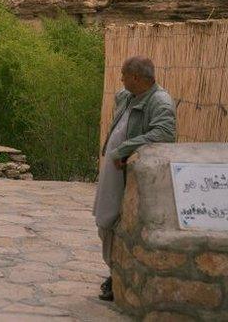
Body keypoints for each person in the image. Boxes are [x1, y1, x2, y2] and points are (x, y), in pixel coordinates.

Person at [93, 55, 176, 301]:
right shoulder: (127, 96)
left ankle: (115, 275)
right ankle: (114, 271)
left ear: (137, 78)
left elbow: (164, 133)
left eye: (124, 74)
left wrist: (126, 148)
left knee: (115, 221)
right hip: (114, 172)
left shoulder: (160, 102)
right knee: (105, 219)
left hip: (130, 176)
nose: (120, 78)